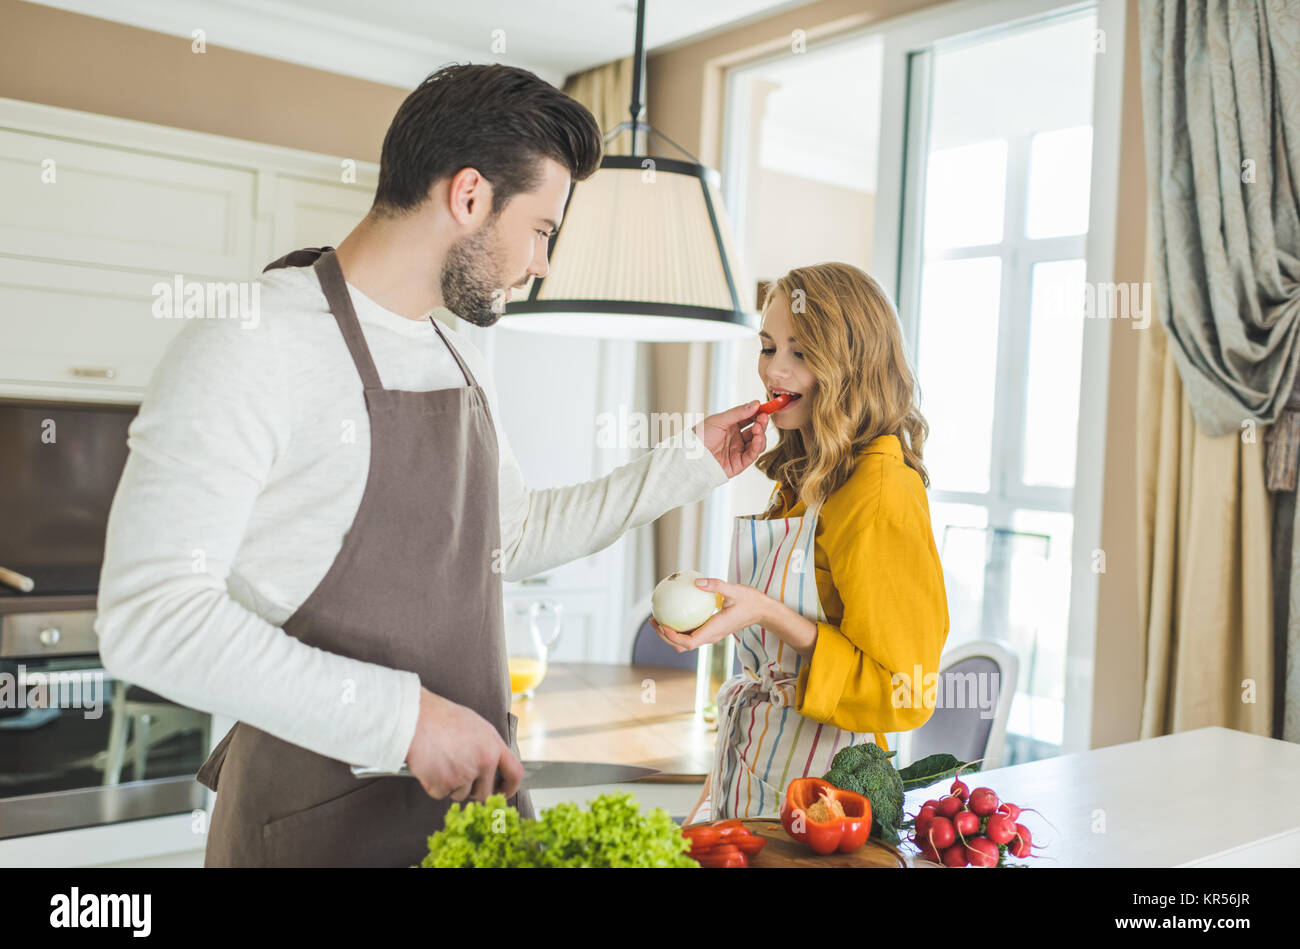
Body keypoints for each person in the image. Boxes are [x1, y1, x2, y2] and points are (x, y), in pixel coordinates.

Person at [95, 63, 770, 866]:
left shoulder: (456, 348)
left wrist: (690, 461)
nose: (542, 262)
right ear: (471, 196)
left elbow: (509, 535)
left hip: (464, 824)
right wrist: (405, 719)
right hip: (314, 830)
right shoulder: (252, 343)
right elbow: (149, 616)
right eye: (543, 230)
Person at [652, 262, 949, 823]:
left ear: (852, 366)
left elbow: (905, 691)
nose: (774, 370)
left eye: (802, 353)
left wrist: (765, 611)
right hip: (755, 770)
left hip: (823, 798)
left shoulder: (881, 487)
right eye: (768, 348)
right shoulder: (807, 471)